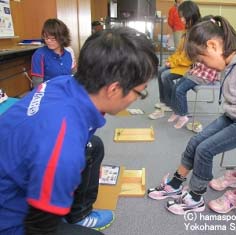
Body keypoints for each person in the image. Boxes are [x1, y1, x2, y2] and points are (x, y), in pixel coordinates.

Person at [0, 27, 158, 234]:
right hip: (12, 218)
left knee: (94, 146)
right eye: (140, 92)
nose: (138, 97)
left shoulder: (61, 83)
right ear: (113, 89)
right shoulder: (63, 153)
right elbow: (39, 229)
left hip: (17, 166)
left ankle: (79, 214)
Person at [148, 16, 236, 215]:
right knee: (195, 142)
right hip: (233, 116)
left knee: (204, 150)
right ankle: (176, 183)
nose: (206, 66)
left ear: (212, 45)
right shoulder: (231, 61)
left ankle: (195, 196)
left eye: (203, 60)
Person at [148, 0, 201, 120]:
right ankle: (165, 102)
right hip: (182, 63)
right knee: (161, 71)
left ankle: (173, 104)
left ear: (190, 15)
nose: (181, 20)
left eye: (183, 17)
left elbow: (189, 58)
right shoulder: (187, 31)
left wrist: (173, 63)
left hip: (189, 66)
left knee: (165, 75)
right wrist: (171, 60)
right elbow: (179, 51)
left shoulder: (196, 32)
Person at [167, 62, 219, 129]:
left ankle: (183, 115)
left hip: (205, 76)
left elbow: (204, 64)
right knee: (175, 87)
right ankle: (177, 111)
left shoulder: (212, 54)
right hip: (196, 73)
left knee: (180, 90)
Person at [31, 18, 75, 88]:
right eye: (46, 37)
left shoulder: (68, 54)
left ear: (62, 37)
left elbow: (74, 76)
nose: (48, 41)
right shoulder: (39, 55)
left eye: (53, 39)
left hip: (67, 91)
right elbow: (37, 85)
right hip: (49, 94)